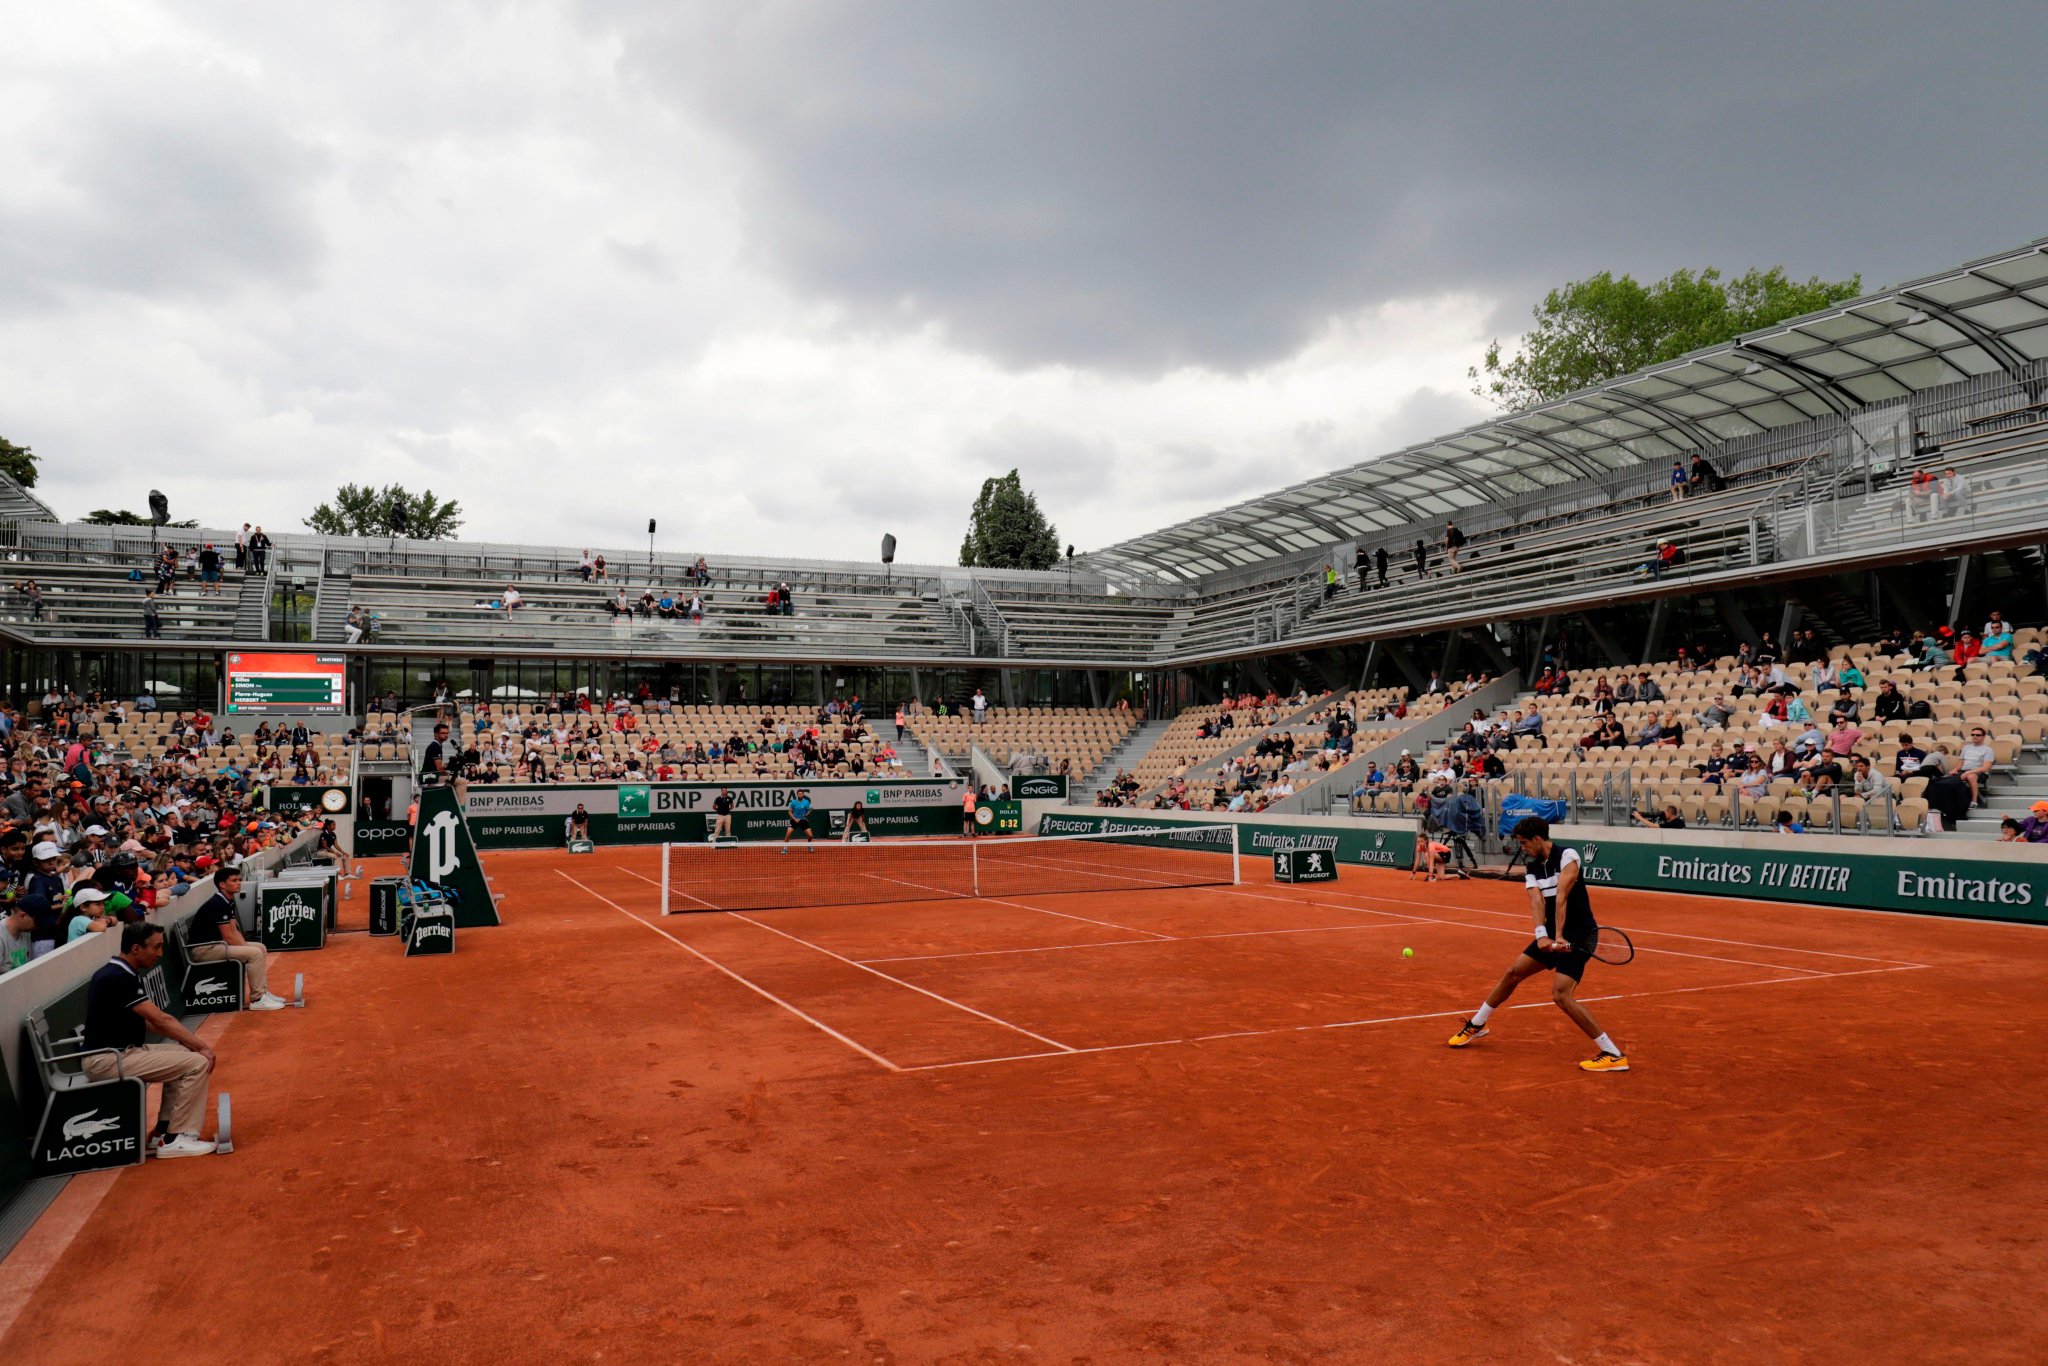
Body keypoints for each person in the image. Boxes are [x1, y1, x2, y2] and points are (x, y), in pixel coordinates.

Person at [1447, 817, 1628, 1073]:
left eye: (1523, 843)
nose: (1522, 848)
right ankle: (1477, 1025)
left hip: (1579, 935)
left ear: (1537, 839)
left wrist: (1561, 937)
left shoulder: (1568, 856)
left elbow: (1562, 898)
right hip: (1553, 934)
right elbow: (1536, 902)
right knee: (1513, 973)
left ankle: (1613, 1053)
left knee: (1561, 996)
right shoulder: (1532, 867)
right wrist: (1542, 935)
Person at [82, 922, 219, 1157]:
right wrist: (203, 1047)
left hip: (122, 1052)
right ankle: (178, 1138)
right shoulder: (117, 976)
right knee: (198, 1062)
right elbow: (161, 1020)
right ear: (136, 948)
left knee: (189, 1056)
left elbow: (150, 1022)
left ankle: (162, 1133)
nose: (160, 954)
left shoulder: (121, 972)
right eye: (156, 948)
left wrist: (189, 1045)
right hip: (107, 1059)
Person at [186, 867, 288, 1010]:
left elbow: (234, 930)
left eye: (239, 880)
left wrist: (245, 945)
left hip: (217, 945)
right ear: (222, 884)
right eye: (234, 881)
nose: (239, 883)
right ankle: (257, 999)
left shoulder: (229, 900)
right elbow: (228, 936)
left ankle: (263, 992)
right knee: (254, 953)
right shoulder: (218, 904)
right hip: (204, 950)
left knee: (260, 947)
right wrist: (247, 948)